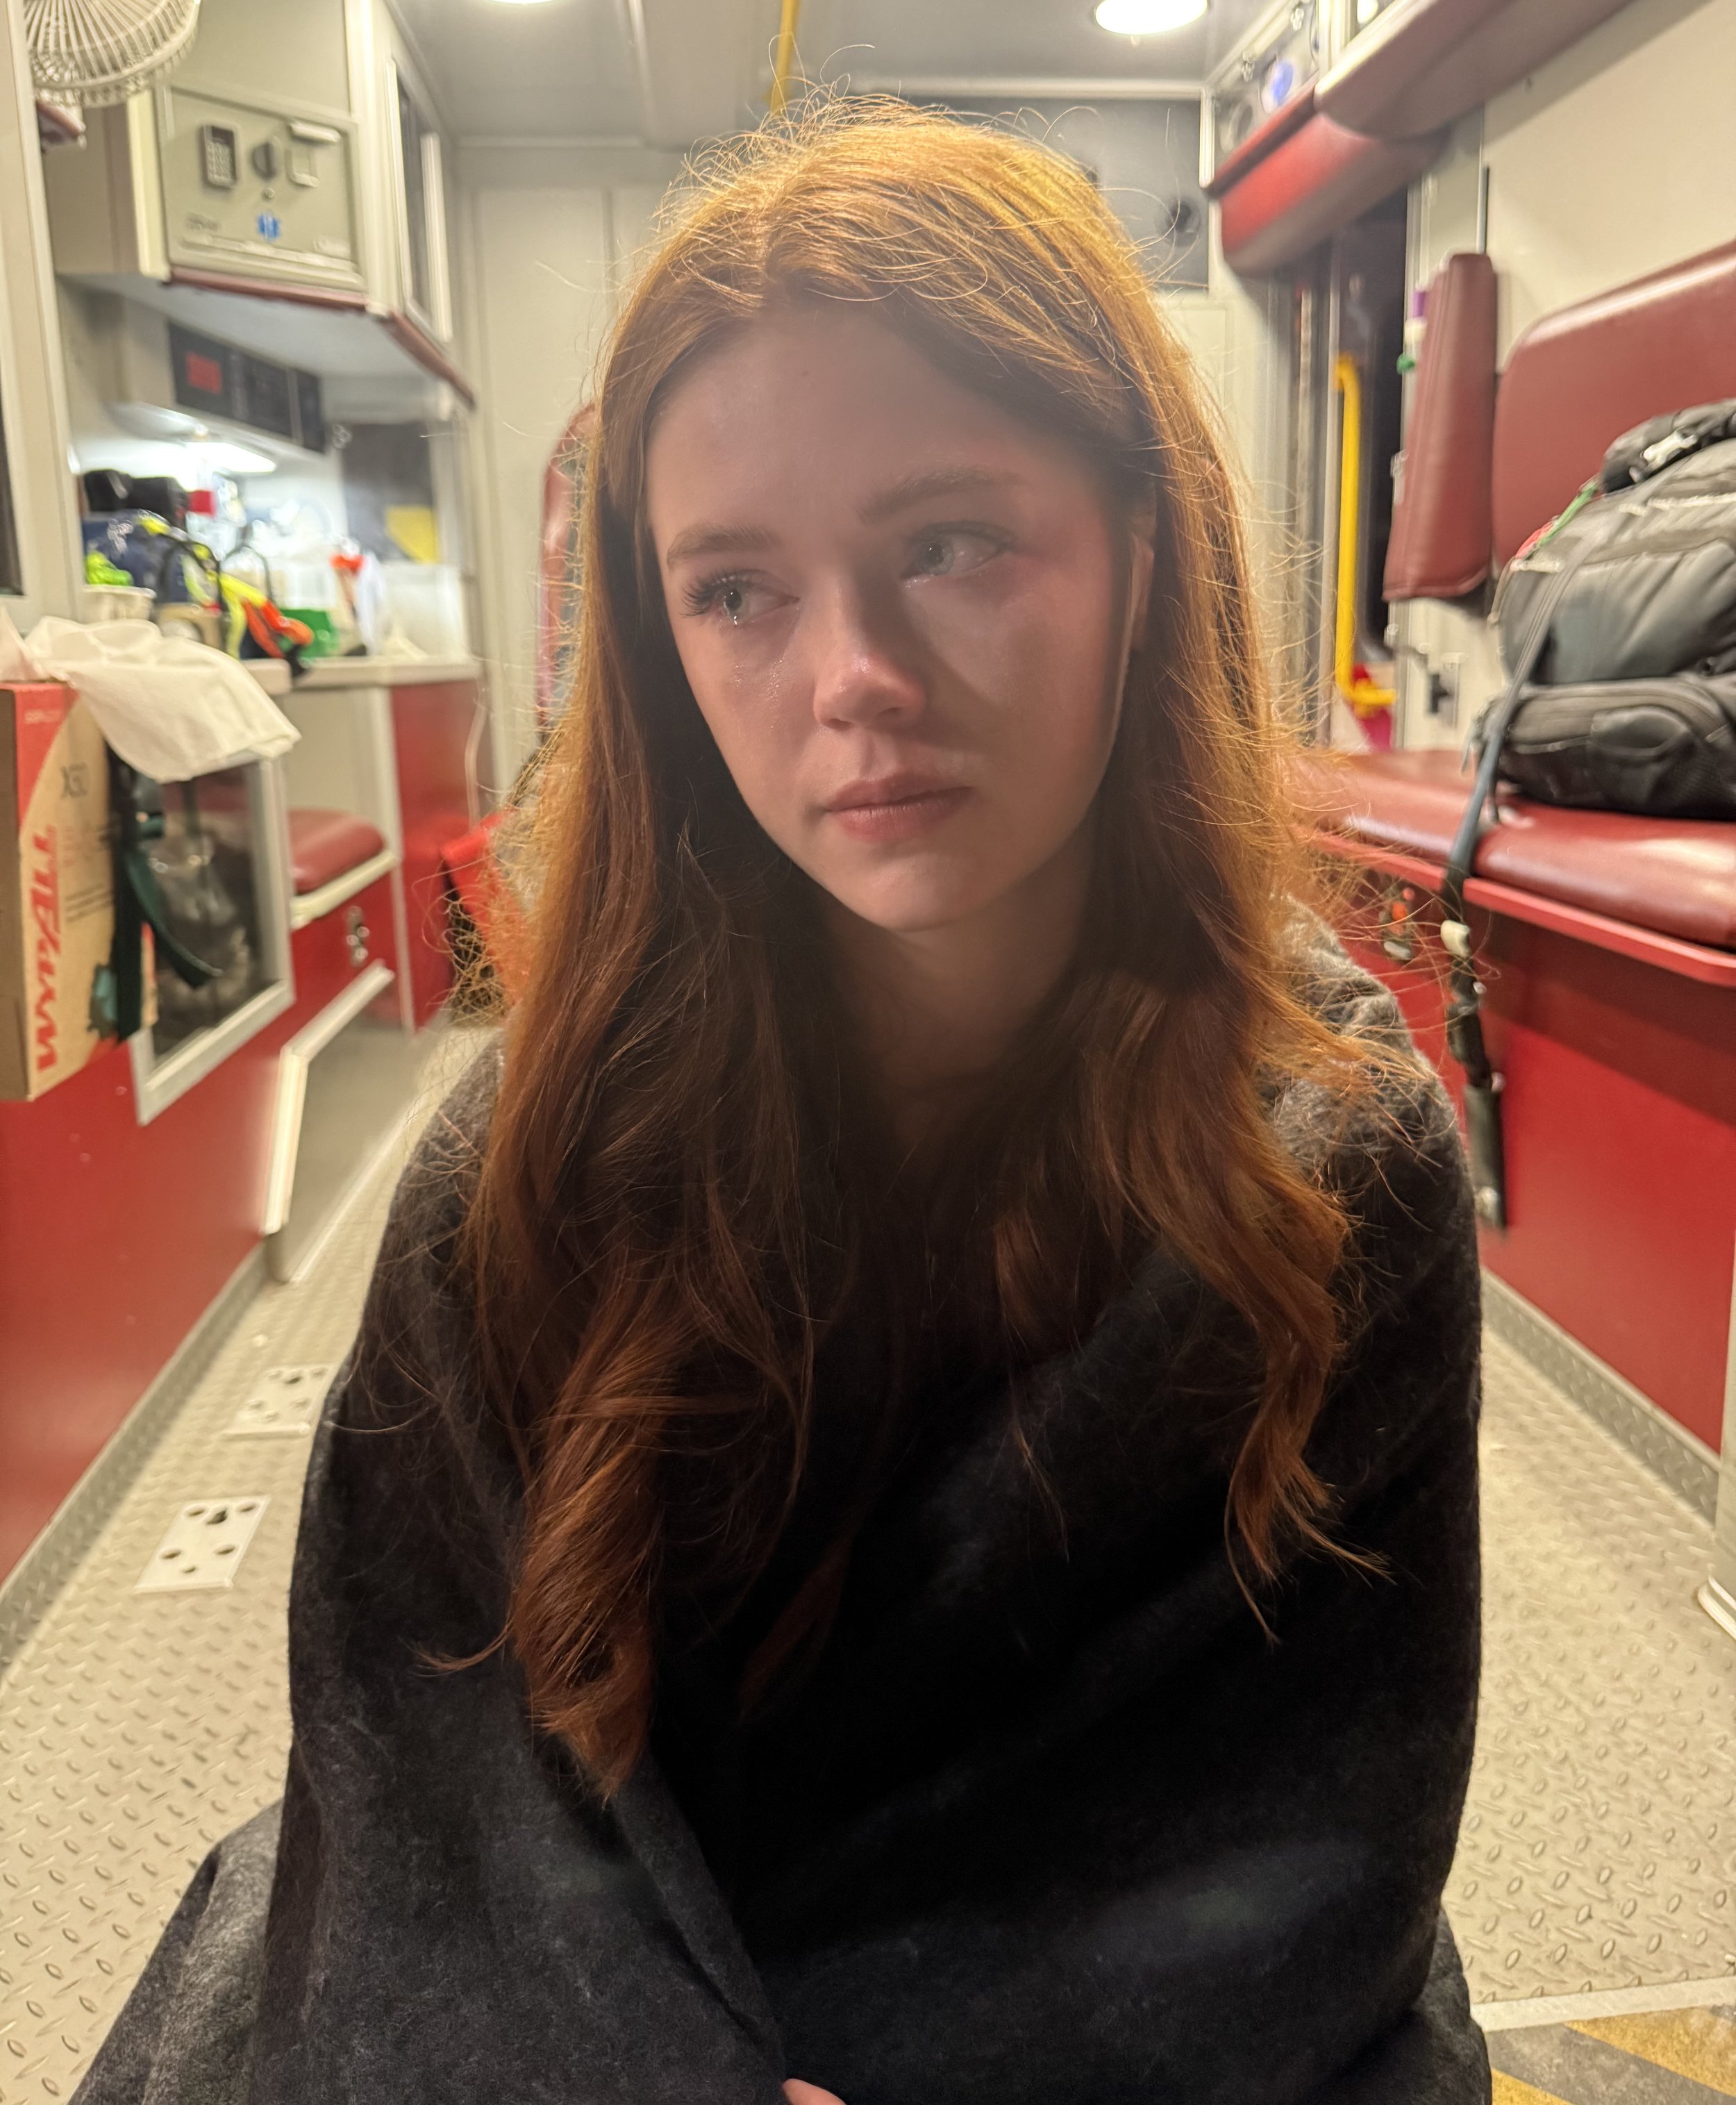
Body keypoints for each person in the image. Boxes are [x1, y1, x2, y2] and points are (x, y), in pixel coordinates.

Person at [76, 102, 1487, 2105]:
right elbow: (425, 1784)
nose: (855, 678)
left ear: (1141, 552)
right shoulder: (535, 1153)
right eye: (736, 590)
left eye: (951, 545)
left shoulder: (1331, 1164)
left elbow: (1306, 1829)